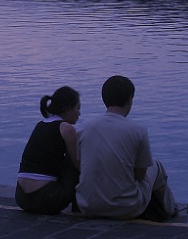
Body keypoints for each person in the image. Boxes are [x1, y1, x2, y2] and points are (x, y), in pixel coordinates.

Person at [76, 75, 177, 221]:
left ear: (104, 99)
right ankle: (169, 209)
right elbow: (141, 176)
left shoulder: (84, 128)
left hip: (87, 206)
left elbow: (81, 164)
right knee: (156, 166)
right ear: (129, 100)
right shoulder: (138, 130)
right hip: (126, 208)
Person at [15, 85, 81, 214]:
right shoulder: (66, 128)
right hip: (47, 199)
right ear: (67, 109)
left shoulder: (40, 125)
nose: (79, 113)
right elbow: (78, 165)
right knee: (73, 160)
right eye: (77, 108)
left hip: (21, 198)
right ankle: (78, 209)